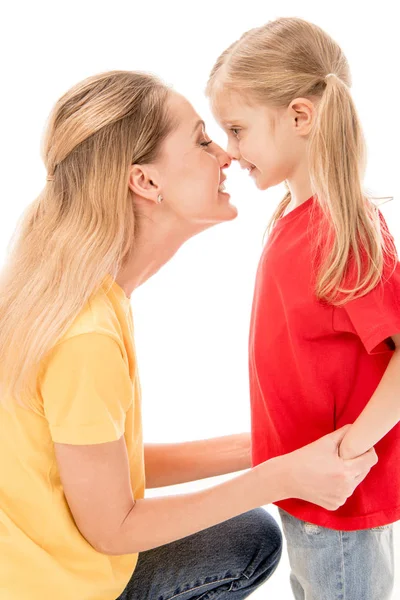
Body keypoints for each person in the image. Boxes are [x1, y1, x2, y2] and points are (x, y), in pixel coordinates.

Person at [0, 70, 377, 600]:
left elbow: (103, 468)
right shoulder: (85, 336)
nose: (226, 155)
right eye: (202, 141)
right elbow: (113, 527)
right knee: (254, 539)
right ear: (145, 181)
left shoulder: (82, 297)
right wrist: (283, 477)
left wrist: (270, 448)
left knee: (247, 536)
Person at [206, 16, 400, 600]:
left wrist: (346, 453)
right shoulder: (296, 221)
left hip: (336, 500)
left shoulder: (340, 232)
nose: (229, 152)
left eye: (237, 130)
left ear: (298, 116)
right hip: (308, 491)